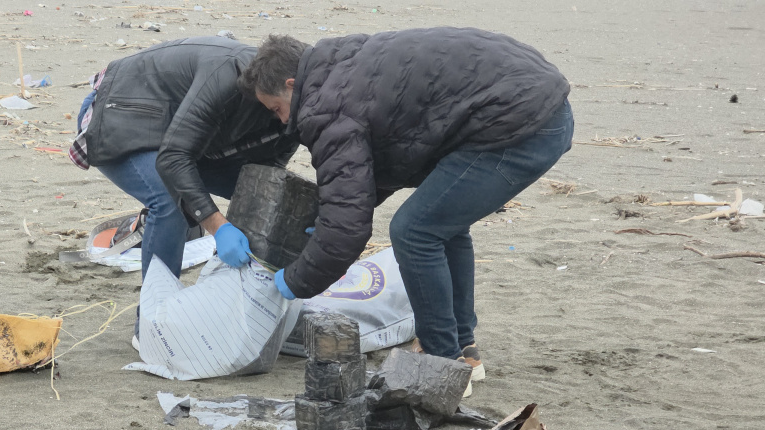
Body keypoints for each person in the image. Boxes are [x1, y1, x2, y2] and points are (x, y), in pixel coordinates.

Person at [241, 29, 574, 392]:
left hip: (523, 125)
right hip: (531, 103)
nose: (282, 121)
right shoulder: (340, 62)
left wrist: (293, 282)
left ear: (292, 84)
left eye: (277, 108)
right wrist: (323, 218)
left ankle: (441, 364)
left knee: (414, 231)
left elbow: (347, 229)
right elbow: (380, 163)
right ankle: (463, 350)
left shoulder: (325, 107)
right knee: (441, 222)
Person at [69, 37, 299, 346]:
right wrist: (218, 227)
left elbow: (266, 176)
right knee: (170, 204)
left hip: (184, 137)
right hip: (119, 114)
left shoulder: (295, 105)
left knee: (267, 200)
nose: (285, 120)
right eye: (277, 109)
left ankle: (240, 306)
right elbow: (175, 159)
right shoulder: (225, 78)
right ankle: (151, 328)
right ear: (289, 85)